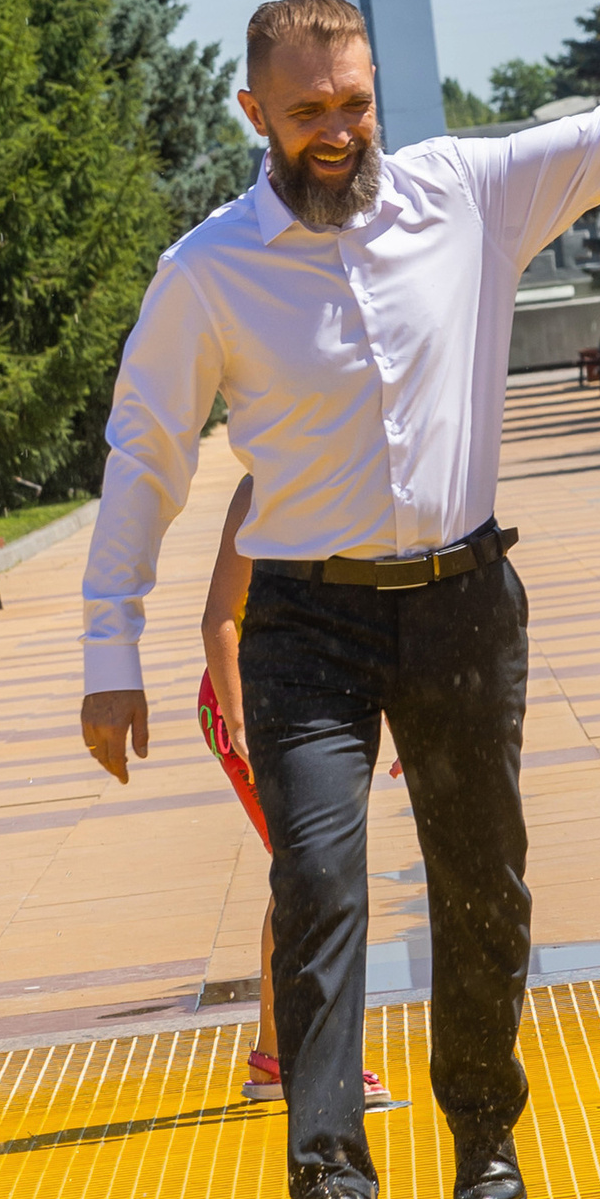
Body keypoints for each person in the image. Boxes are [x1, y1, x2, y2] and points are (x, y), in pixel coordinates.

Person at [79, 0, 600, 1199]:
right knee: (318, 877)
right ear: (255, 108)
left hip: (467, 602)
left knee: (486, 880)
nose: (337, 128)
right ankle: (331, 1166)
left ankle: (481, 1117)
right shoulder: (207, 275)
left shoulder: (470, 195)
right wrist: (108, 644)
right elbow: (146, 452)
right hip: (306, 621)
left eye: (354, 101)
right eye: (308, 109)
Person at [195, 473, 393, 1112]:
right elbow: (219, 617)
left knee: (309, 871)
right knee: (315, 872)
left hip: (319, 701)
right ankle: (305, 1056)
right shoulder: (262, 490)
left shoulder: (351, 477)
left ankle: (277, 1054)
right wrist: (241, 718)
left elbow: (375, 616)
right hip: (249, 704)